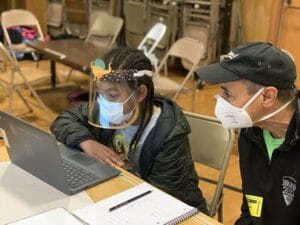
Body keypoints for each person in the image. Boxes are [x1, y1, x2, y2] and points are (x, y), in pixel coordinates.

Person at [50, 46, 208, 213]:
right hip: (121, 192)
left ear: (140, 93)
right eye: (101, 94)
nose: (104, 102)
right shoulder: (107, 108)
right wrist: (86, 142)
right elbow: (63, 121)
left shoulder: (168, 135)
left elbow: (164, 199)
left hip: (166, 207)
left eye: (112, 95)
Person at [196, 42, 300, 225]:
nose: (218, 99)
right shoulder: (251, 134)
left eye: (227, 94)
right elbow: (252, 210)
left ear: (267, 96)